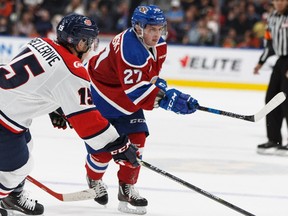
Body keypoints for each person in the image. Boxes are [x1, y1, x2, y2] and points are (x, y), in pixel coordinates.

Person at [0, 13, 139, 216]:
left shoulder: (41, 42)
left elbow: (35, 84)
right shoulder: (72, 70)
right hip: (5, 120)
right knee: (18, 168)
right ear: (78, 42)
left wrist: (56, 107)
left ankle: (12, 195)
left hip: (8, 109)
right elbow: (88, 121)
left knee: (26, 147)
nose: (91, 47)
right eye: (88, 41)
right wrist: (119, 144)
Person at [86, 5, 199, 215]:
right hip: (103, 94)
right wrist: (167, 101)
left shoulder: (160, 46)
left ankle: (126, 187)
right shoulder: (129, 50)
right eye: (151, 29)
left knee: (136, 142)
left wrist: (167, 93)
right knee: (102, 150)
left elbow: (147, 78)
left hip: (125, 94)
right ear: (138, 28)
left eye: (159, 29)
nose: (156, 35)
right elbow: (137, 92)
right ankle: (94, 178)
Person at [253, 0, 288, 155]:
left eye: (282, 0)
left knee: (286, 101)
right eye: (276, 0)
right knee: (271, 99)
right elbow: (269, 43)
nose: (279, 3)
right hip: (280, 61)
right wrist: (261, 62)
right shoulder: (272, 17)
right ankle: (274, 139)